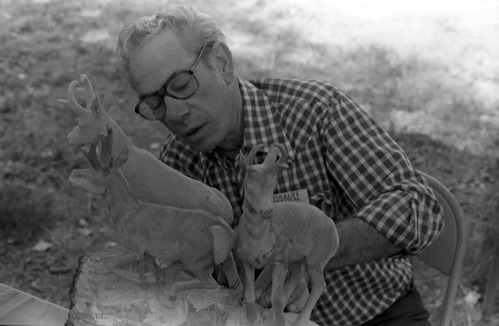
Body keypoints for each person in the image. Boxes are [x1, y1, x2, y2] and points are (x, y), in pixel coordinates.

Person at [115, 6, 444, 326]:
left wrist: (311, 250)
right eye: (155, 103)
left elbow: (419, 207)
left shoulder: (316, 113)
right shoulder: (178, 161)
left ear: (221, 63)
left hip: (372, 313)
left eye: (181, 85)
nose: (174, 113)